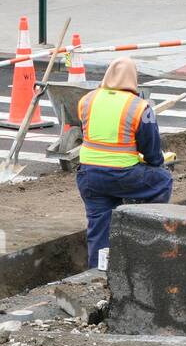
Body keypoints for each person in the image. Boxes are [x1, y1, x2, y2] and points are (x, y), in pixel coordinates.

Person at [75, 57, 174, 269]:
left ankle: (97, 273)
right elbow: (152, 151)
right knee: (162, 180)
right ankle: (144, 237)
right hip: (123, 174)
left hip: (89, 176)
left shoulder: (87, 100)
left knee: (99, 225)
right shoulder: (139, 107)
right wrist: (157, 162)